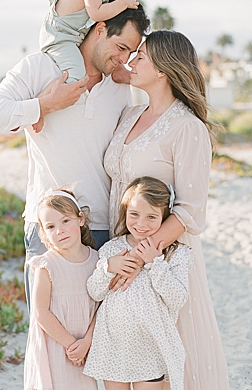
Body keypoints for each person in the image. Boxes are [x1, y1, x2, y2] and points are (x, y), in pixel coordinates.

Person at [0, 6, 149, 311]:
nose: (124, 58)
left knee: (95, 341)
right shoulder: (39, 68)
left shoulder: (119, 87)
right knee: (46, 333)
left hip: (102, 228)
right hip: (50, 226)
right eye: (121, 47)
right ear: (99, 29)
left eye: (131, 52)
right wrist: (44, 104)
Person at [102, 30, 229, 389]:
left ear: (163, 69)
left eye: (140, 56)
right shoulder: (129, 115)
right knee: (125, 360)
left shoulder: (187, 127)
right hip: (121, 250)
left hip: (163, 259)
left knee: (169, 360)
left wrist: (141, 257)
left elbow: (190, 212)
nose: (132, 61)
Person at [85, 177, 191, 390]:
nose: (141, 224)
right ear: (124, 213)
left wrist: (155, 263)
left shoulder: (175, 254)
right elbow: (95, 293)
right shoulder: (111, 249)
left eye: (151, 217)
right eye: (134, 214)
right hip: (112, 346)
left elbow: (178, 299)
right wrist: (108, 268)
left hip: (149, 347)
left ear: (164, 218)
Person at [23, 187, 99, 390]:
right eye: (50, 226)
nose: (60, 230)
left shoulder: (97, 261)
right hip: (56, 346)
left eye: (66, 221)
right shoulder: (46, 264)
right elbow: (40, 312)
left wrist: (85, 343)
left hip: (87, 346)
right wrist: (70, 345)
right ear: (44, 233)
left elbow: (101, 308)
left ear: (80, 219)